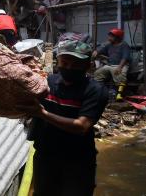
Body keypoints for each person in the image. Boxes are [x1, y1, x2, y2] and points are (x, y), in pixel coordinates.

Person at [19, 40, 108, 196]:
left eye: (76, 64)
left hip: (77, 162)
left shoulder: (95, 91)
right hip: (45, 157)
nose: (69, 68)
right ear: (57, 61)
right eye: (65, 62)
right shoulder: (48, 82)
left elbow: (81, 126)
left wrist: (42, 114)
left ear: (88, 66)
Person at [92, 28, 131, 100]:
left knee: (120, 76)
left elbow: (125, 58)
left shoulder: (124, 45)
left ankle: (119, 95)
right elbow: (101, 50)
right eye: (109, 36)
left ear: (117, 37)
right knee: (97, 74)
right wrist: (96, 52)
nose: (109, 38)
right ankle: (99, 92)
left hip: (121, 65)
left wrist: (120, 67)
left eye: (111, 36)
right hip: (109, 65)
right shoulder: (109, 45)